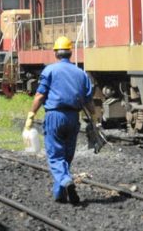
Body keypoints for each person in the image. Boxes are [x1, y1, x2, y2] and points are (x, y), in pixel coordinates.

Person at [24, 36, 93, 204]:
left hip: (55, 116)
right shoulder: (81, 73)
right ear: (71, 53)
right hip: (73, 118)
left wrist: (31, 115)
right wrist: (94, 119)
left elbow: (40, 96)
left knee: (55, 157)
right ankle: (60, 194)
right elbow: (89, 101)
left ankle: (65, 181)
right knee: (66, 157)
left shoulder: (49, 71)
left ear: (55, 53)